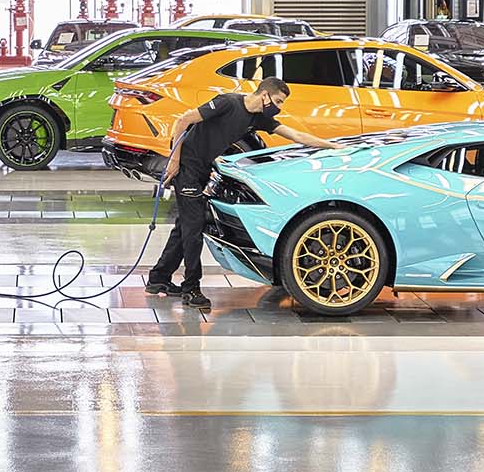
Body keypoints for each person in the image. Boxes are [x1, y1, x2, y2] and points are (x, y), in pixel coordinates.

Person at [145, 77, 342, 310]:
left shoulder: (258, 118)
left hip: (203, 168)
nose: (278, 107)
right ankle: (191, 289)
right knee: (194, 230)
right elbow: (183, 120)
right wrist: (174, 160)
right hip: (186, 167)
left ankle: (158, 279)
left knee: (185, 227)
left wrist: (335, 146)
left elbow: (295, 135)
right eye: (278, 101)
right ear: (265, 95)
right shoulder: (227, 103)